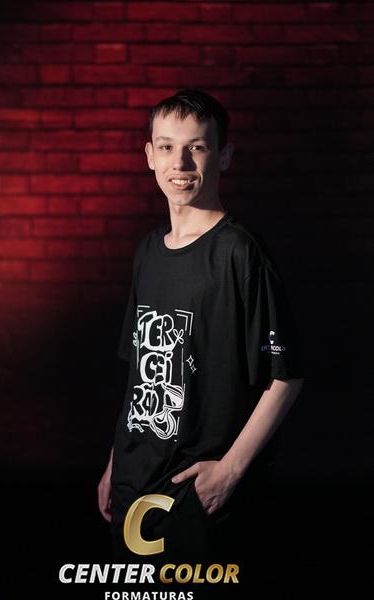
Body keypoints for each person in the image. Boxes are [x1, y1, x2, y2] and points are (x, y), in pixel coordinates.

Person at [97, 88, 305, 593]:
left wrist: (229, 472)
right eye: (167, 147)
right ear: (149, 156)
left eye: (197, 147)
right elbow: (140, 371)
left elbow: (286, 377)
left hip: (195, 492)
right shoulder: (149, 251)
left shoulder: (239, 253)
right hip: (132, 482)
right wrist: (114, 463)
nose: (181, 162)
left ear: (224, 156)